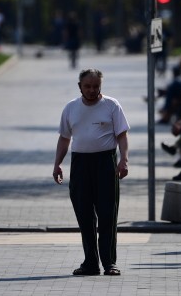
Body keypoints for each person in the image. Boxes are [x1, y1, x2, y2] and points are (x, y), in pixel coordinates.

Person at [52, 68, 129, 277]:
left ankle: (109, 262)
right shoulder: (71, 108)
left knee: (107, 215)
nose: (92, 90)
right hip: (80, 165)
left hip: (106, 163)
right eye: (88, 86)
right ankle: (90, 263)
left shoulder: (112, 106)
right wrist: (57, 164)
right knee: (84, 215)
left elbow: (121, 135)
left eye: (96, 86)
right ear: (80, 87)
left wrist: (124, 160)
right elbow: (64, 138)